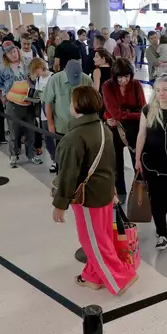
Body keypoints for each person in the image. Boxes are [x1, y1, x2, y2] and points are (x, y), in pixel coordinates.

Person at [52, 85, 138, 295]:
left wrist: (59, 204)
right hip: (104, 192)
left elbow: (68, 175)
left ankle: (120, 277)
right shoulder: (102, 127)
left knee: (93, 240)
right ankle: (93, 276)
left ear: (76, 106)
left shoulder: (75, 137)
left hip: (88, 199)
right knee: (102, 236)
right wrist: (113, 189)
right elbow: (110, 163)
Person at [134, 76, 167, 250]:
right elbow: (141, 135)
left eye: (165, 90)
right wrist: (137, 158)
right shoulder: (147, 110)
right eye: (158, 90)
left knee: (163, 196)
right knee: (155, 196)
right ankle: (162, 232)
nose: (161, 94)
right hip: (149, 160)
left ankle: (159, 222)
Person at [102, 58, 146, 205]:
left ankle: (141, 195)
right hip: (115, 131)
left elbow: (144, 110)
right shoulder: (107, 86)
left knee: (138, 162)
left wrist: (123, 114)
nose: (123, 80)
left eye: (126, 76)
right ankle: (120, 195)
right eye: (120, 77)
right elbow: (114, 112)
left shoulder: (136, 85)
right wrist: (131, 114)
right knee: (116, 165)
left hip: (134, 130)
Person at [0, 41, 38, 167]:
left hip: (29, 101)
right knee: (14, 131)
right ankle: (13, 155)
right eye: (10, 53)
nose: (13, 55)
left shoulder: (27, 63)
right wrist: (2, 97)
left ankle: (31, 155)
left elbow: (35, 76)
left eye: (14, 51)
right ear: (5, 55)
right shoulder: (2, 67)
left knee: (31, 130)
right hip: (13, 103)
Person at [43, 59, 94, 173]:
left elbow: (91, 104)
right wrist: (50, 124)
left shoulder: (86, 79)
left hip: (82, 128)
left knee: (81, 158)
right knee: (62, 159)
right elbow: (48, 102)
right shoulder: (55, 80)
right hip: (62, 127)